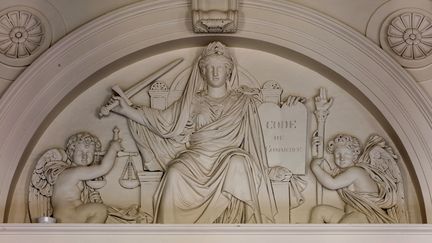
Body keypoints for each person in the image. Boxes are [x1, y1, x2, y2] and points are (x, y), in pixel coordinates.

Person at [110, 41, 283, 223]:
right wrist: (125, 110)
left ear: (229, 71)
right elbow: (163, 121)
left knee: (238, 162)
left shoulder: (243, 101)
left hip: (228, 155)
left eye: (220, 67)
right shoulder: (192, 101)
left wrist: (291, 106)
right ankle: (167, 237)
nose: (215, 72)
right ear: (202, 71)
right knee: (174, 173)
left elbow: (261, 131)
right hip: (197, 158)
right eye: (210, 68)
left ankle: (248, 232)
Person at [309, 134, 405, 223]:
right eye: (337, 154)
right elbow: (326, 173)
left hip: (366, 215)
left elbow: (331, 183)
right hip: (351, 215)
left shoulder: (355, 171)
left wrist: (314, 167)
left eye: (346, 154)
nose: (341, 158)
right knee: (318, 211)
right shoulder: (342, 173)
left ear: (354, 155)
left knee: (340, 232)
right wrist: (315, 154)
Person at [51, 132, 121, 223]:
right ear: (71, 152)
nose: (85, 156)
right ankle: (89, 237)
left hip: (69, 213)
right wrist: (113, 148)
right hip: (68, 214)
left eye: (89, 153)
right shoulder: (74, 172)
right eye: (80, 152)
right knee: (100, 210)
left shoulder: (73, 173)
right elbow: (103, 168)